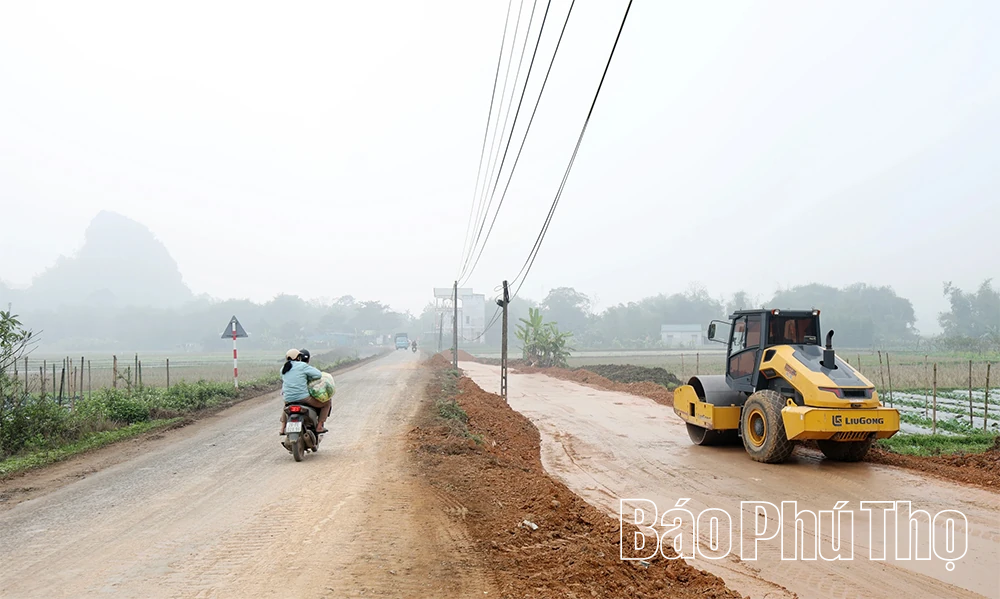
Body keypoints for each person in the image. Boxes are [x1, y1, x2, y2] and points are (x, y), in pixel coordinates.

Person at [279, 348, 330, 435]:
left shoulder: (283, 369)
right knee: (327, 402)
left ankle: (282, 427)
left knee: (286, 407)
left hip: (287, 398)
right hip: (303, 398)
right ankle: (319, 426)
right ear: (298, 357)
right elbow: (318, 374)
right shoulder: (302, 366)